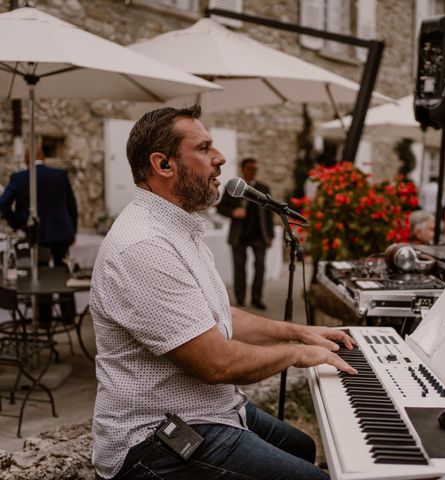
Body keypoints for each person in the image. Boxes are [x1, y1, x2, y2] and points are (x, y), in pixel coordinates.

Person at [90, 105, 357, 480]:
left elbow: (220, 315)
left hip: (208, 410)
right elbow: (218, 364)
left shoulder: (179, 229)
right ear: (163, 165)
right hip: (152, 437)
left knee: (303, 446)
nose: (220, 159)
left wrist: (297, 331)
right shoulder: (144, 245)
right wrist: (297, 354)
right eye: (204, 148)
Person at [0, 145, 78, 266]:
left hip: (33, 232)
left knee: (38, 272)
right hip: (61, 231)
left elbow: (3, 203)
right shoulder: (60, 175)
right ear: (43, 157)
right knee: (61, 272)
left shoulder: (19, 178)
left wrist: (18, 224)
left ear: (26, 158)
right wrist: (73, 230)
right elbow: (72, 205)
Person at [217, 157, 274, 310]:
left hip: (259, 236)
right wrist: (233, 212)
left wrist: (271, 236)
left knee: (260, 267)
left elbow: (269, 214)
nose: (254, 172)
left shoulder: (263, 188)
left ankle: (257, 299)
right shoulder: (233, 187)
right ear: (243, 169)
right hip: (239, 236)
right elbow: (220, 208)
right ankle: (240, 299)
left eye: (256, 169)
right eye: (251, 169)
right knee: (239, 268)